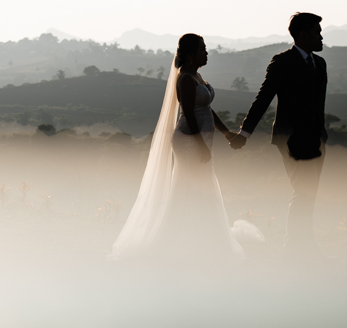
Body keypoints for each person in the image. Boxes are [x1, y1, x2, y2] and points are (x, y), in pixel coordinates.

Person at [109, 33, 263, 262]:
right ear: (191, 54)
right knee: (190, 185)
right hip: (190, 140)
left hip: (202, 138)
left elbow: (206, 110)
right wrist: (200, 144)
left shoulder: (197, 76)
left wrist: (225, 132)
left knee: (201, 185)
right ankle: (181, 239)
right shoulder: (185, 79)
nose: (206, 53)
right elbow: (189, 114)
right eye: (202, 49)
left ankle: (199, 236)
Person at [229, 13, 328, 259]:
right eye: (317, 32)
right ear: (302, 34)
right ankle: (296, 248)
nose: (321, 36)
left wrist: (322, 135)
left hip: (316, 139)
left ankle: (304, 245)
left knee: (309, 193)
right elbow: (263, 98)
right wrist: (245, 132)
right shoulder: (282, 62)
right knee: (303, 191)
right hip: (292, 138)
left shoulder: (320, 64)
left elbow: (319, 105)